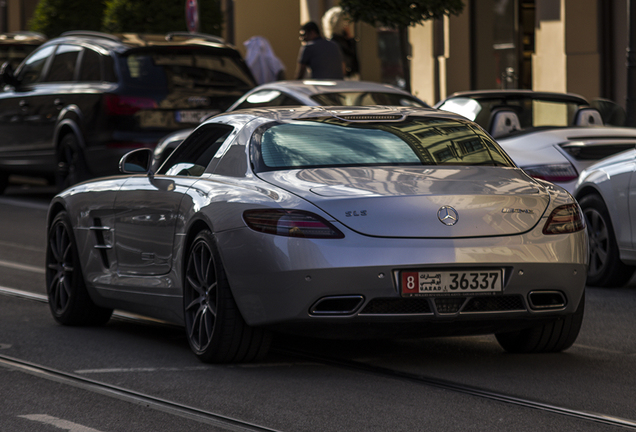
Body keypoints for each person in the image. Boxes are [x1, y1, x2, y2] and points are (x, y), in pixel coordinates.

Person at [322, 6, 359, 80]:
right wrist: (350, 39)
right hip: (346, 78)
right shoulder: (338, 41)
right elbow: (351, 55)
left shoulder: (334, 40)